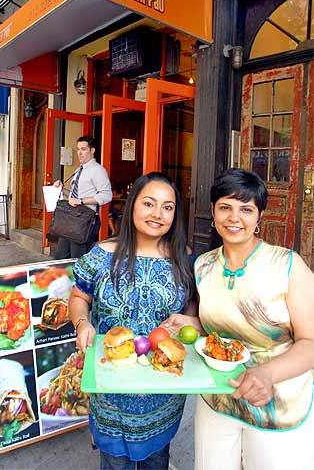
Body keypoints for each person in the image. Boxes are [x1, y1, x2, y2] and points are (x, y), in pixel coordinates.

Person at [162, 168, 314, 470]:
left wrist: (267, 374)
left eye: (246, 209)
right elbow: (220, 327)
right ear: (214, 212)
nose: (234, 218)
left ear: (259, 218)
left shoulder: (287, 265)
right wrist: (190, 324)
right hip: (219, 397)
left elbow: (310, 342)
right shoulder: (203, 266)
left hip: (278, 404)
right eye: (225, 207)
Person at [69, 172, 195, 469]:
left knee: (157, 459)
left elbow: (191, 305)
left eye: (168, 207)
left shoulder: (184, 258)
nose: (157, 214)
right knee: (115, 461)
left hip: (164, 390)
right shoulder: (102, 254)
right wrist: (82, 323)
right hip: (112, 386)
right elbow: (79, 297)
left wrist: (189, 321)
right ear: (133, 206)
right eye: (149, 203)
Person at [53, 136, 112, 259]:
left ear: (92, 150)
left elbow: (106, 195)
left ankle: (79, 279)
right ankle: (63, 278)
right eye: (78, 149)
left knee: (78, 258)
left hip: (84, 220)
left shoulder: (98, 170)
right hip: (70, 218)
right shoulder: (79, 169)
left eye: (83, 149)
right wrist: (60, 188)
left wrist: (82, 201)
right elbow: (74, 195)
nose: (79, 153)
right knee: (60, 256)